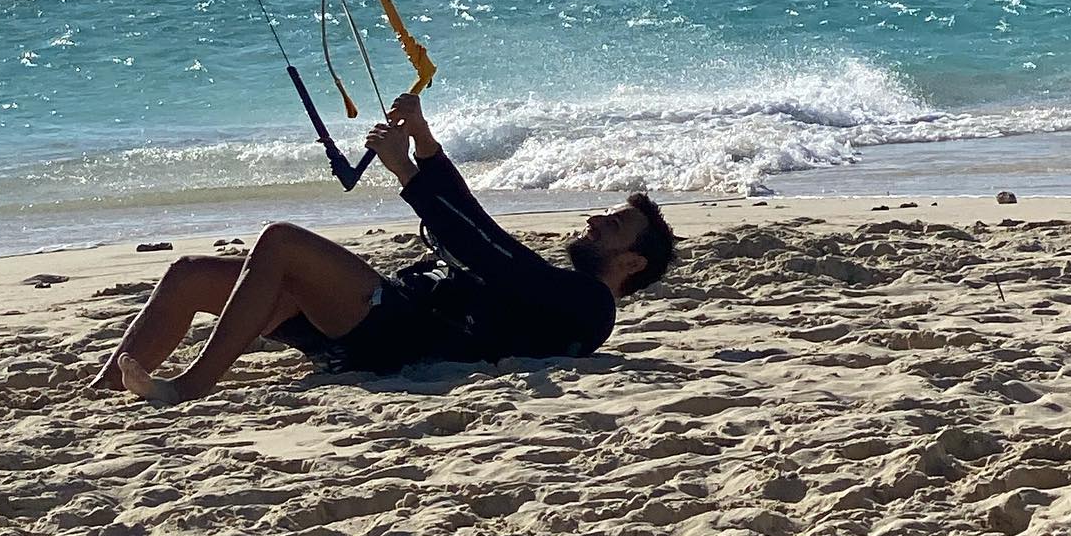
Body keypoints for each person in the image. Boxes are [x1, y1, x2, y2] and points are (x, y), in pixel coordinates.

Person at [92, 93, 676, 404]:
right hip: (376, 322)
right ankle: (104, 391)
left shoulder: (589, 307)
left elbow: (487, 252)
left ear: (632, 263)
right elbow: (486, 236)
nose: (596, 220)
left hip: (399, 332)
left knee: (280, 242)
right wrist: (424, 143)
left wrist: (409, 173)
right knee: (190, 272)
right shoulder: (556, 285)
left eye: (615, 226)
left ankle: (191, 386)